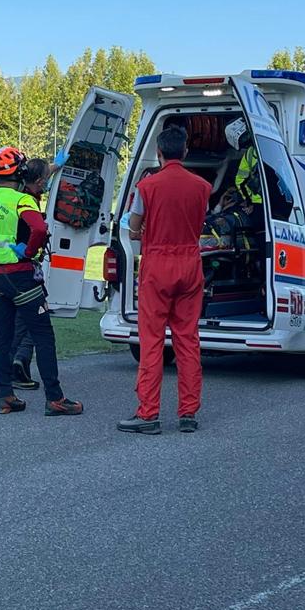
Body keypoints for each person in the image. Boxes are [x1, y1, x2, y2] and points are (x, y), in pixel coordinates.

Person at [0, 146, 83, 416]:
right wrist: (29, 250)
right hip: (20, 276)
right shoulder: (21, 201)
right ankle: (55, 398)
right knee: (43, 335)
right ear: (21, 172)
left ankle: (5, 396)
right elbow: (39, 228)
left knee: (1, 335)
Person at [117, 126, 211, 435]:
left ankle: (148, 414)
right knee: (187, 340)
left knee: (153, 341)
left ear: (159, 152)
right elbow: (200, 221)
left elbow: (133, 227)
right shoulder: (202, 187)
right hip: (189, 263)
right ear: (184, 152)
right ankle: (188, 412)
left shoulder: (147, 187)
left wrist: (141, 232)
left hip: (158, 263)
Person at [8, 156, 62, 390]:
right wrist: (31, 250)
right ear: (39, 182)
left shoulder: (19, 189)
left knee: (17, 320)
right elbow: (37, 230)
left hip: (5, 269)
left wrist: (56, 165)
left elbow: (40, 172)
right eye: (46, 180)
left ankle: (15, 363)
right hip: (25, 267)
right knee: (35, 319)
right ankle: (15, 364)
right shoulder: (27, 202)